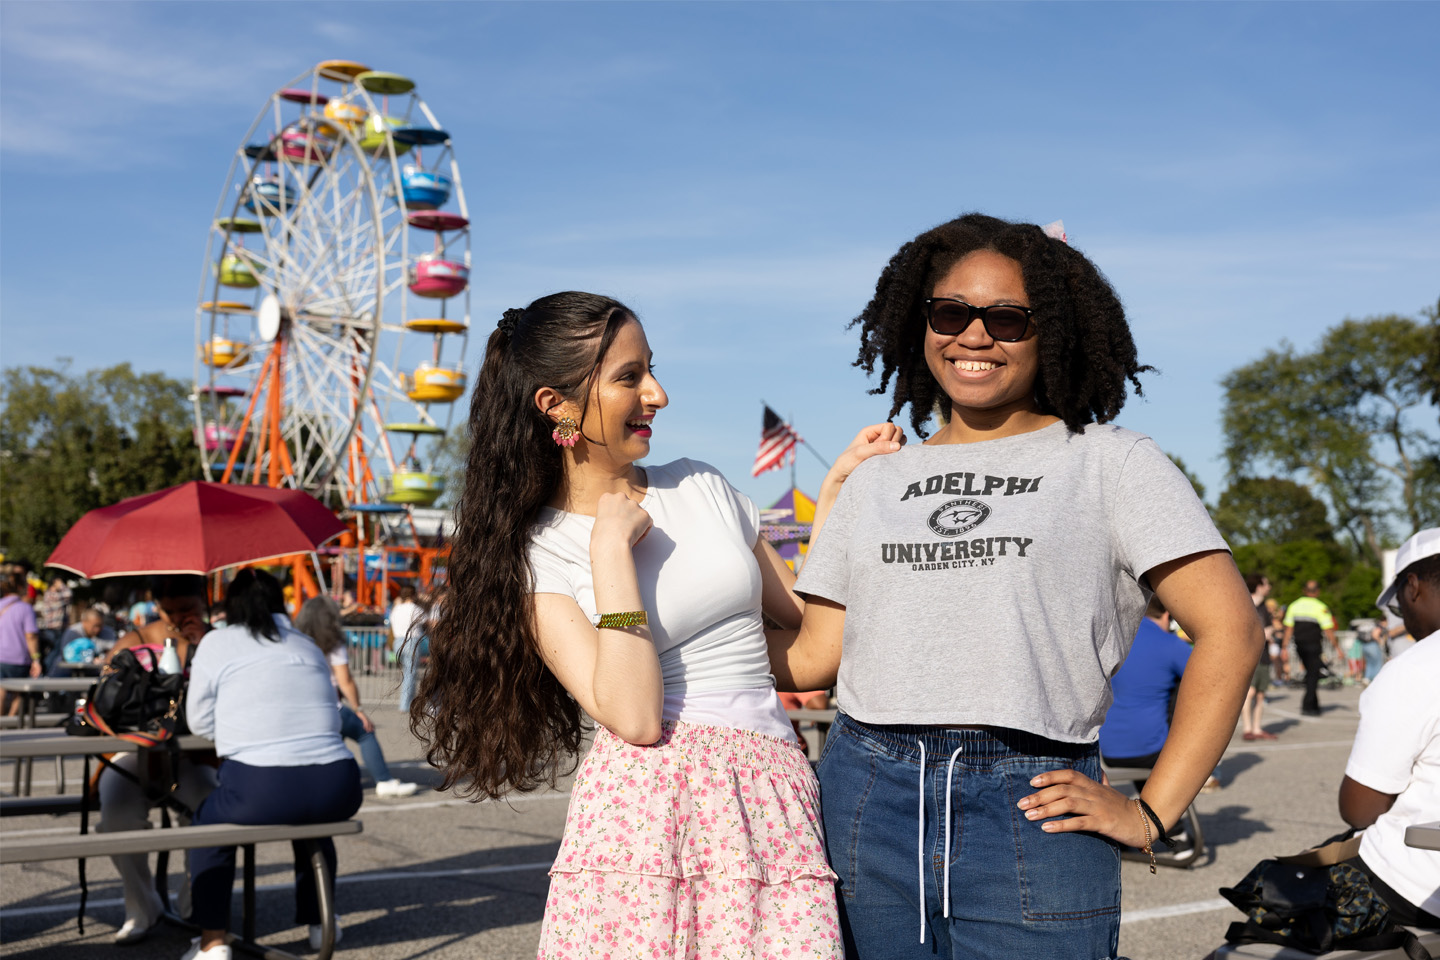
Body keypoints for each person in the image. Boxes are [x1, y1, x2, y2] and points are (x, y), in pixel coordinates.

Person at [774, 214, 1262, 959]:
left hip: (1033, 799)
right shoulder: (875, 482)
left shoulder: (1112, 463)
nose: (975, 335)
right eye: (951, 312)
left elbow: (1231, 631)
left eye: (1007, 318)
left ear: (1052, 332)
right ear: (922, 322)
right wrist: (654, 629)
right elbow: (814, 659)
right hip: (866, 795)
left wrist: (1153, 815)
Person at [413, 292, 897, 958]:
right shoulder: (538, 552)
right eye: (629, 377)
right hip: (647, 817)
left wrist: (839, 492)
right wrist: (610, 555)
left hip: (772, 794)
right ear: (556, 404)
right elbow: (636, 717)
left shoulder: (702, 486)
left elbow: (813, 654)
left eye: (651, 369)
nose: (658, 393)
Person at [183, 569, 362, 960]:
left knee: (208, 827)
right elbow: (329, 717)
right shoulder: (307, 644)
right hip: (338, 783)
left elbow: (197, 722)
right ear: (279, 603)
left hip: (260, 785)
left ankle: (213, 941)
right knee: (312, 825)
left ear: (231, 605)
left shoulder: (217, 641)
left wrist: (239, 728)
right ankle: (321, 925)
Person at [96, 575, 218, 945]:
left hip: (193, 755)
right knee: (115, 814)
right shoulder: (133, 640)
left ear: (203, 602)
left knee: (210, 809)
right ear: (156, 604)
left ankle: (197, 901)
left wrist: (202, 648)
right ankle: (141, 905)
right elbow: (106, 699)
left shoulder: (215, 641)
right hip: (134, 753)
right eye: (171, 610)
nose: (179, 618)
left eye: (188, 609)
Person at [1337, 527, 1440, 927]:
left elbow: (1359, 809)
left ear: (1412, 586)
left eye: (1397, 607)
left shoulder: (1416, 668)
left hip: (1419, 886)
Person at [294, 596, 418, 798]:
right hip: (329, 706)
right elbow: (345, 681)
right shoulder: (332, 643)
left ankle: (325, 779)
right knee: (365, 732)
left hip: (302, 707)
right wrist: (359, 710)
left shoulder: (296, 642)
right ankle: (384, 781)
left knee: (335, 739)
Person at [1283, 580, 1341, 716]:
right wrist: (1337, 647)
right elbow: (1328, 631)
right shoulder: (1320, 607)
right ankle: (1308, 706)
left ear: (1305, 590)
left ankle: (1314, 704)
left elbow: (1288, 629)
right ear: (1317, 591)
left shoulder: (1294, 605)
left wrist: (1284, 647)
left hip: (1299, 646)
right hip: (1314, 646)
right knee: (1313, 674)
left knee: (1311, 673)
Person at [1241, 573, 1278, 740]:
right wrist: (1262, 634)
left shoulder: (1265, 608)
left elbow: (1269, 629)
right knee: (1250, 692)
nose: (1268, 587)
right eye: (1266, 584)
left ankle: (1257, 728)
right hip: (1248, 655)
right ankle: (1247, 729)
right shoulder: (1244, 604)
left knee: (1261, 694)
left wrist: (1267, 633)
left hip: (1263, 655)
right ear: (1258, 585)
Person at [0, 572, 42, 715]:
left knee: (1, 690)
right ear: (20, 587)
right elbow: (31, 636)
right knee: (18, 693)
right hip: (17, 657)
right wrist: (36, 659)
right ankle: (10, 722)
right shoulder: (25, 608)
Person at [46, 607, 116, 674]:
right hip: (69, 672)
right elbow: (67, 655)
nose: (97, 629)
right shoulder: (73, 632)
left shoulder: (108, 632)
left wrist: (104, 659)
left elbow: (112, 653)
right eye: (95, 626)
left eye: (100, 626)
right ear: (84, 622)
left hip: (97, 672)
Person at [387, 583, 423, 711]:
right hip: (411, 641)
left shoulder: (396, 609)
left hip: (398, 641)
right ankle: (405, 704)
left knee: (407, 673)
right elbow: (427, 620)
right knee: (410, 674)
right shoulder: (415, 608)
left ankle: (406, 703)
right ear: (413, 595)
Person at [34, 575, 72, 671]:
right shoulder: (51, 594)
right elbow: (69, 594)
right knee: (54, 651)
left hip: (57, 627)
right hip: (53, 627)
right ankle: (47, 670)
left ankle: (48, 670)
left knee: (55, 650)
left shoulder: (54, 595)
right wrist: (61, 585)